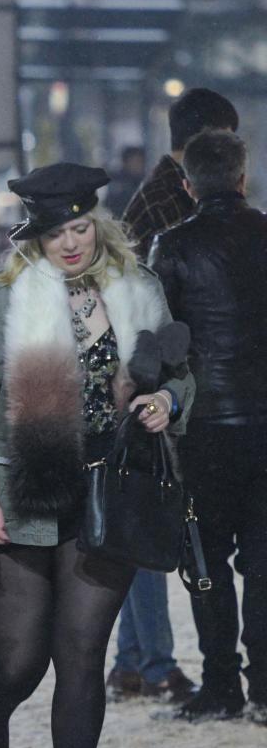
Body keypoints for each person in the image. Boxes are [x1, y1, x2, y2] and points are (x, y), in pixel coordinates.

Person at [0, 163, 194, 748]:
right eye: (56, 232)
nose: (71, 242)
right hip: (21, 490)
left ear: (98, 222)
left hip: (108, 494)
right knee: (20, 659)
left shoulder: (138, 289)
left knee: (80, 652)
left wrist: (166, 402)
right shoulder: (1, 298)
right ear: (36, 236)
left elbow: (181, 373)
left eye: (81, 226)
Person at [108, 87, 240, 704]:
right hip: (159, 387)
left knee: (144, 516)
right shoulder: (172, 205)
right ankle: (154, 662)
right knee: (155, 520)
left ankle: (135, 660)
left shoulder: (153, 197)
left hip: (142, 380)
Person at [149, 129, 267, 723]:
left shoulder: (170, 247)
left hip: (202, 427)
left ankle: (220, 684)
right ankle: (266, 686)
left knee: (206, 559)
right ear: (243, 179)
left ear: (188, 184)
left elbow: (162, 341)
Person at [103, 145, 145, 220]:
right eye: (133, 161)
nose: (136, 165)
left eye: (139, 162)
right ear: (125, 163)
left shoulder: (145, 183)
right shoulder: (116, 182)